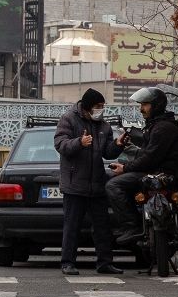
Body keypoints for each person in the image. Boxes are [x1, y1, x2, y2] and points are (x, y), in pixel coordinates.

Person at [53, 88, 124, 276]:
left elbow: (107, 152)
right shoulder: (68, 119)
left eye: (103, 107)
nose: (100, 110)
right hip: (75, 184)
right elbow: (60, 144)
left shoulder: (104, 126)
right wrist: (79, 142)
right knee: (72, 226)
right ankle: (68, 262)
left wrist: (118, 144)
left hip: (97, 184)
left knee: (102, 226)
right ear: (87, 107)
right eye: (97, 107)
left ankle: (105, 263)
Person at [105, 86, 178, 245]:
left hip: (159, 173)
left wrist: (125, 168)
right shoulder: (157, 125)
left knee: (113, 185)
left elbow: (150, 158)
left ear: (156, 105)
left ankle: (131, 227)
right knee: (109, 177)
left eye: (145, 105)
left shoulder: (163, 127)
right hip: (152, 171)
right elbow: (147, 152)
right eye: (141, 105)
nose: (141, 108)